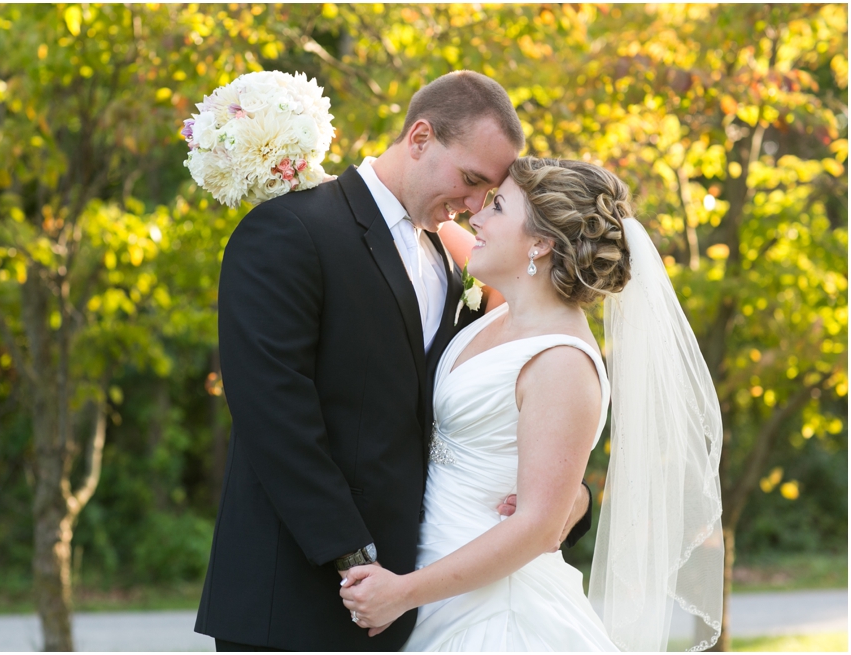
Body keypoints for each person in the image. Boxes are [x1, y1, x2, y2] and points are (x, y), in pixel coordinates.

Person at [194, 72, 595, 651]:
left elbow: (502, 410)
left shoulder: (456, 259)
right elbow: (274, 418)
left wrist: (572, 501)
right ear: (420, 137)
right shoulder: (291, 230)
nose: (474, 206)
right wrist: (354, 562)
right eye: (471, 180)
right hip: (302, 598)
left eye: (490, 194)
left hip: (415, 598)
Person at [340, 157, 724, 652]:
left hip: (496, 608)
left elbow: (538, 526)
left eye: (497, 206)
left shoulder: (561, 363)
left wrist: (402, 593)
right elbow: (417, 222)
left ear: (540, 243)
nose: (476, 215)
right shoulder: (501, 308)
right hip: (440, 585)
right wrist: (322, 177)